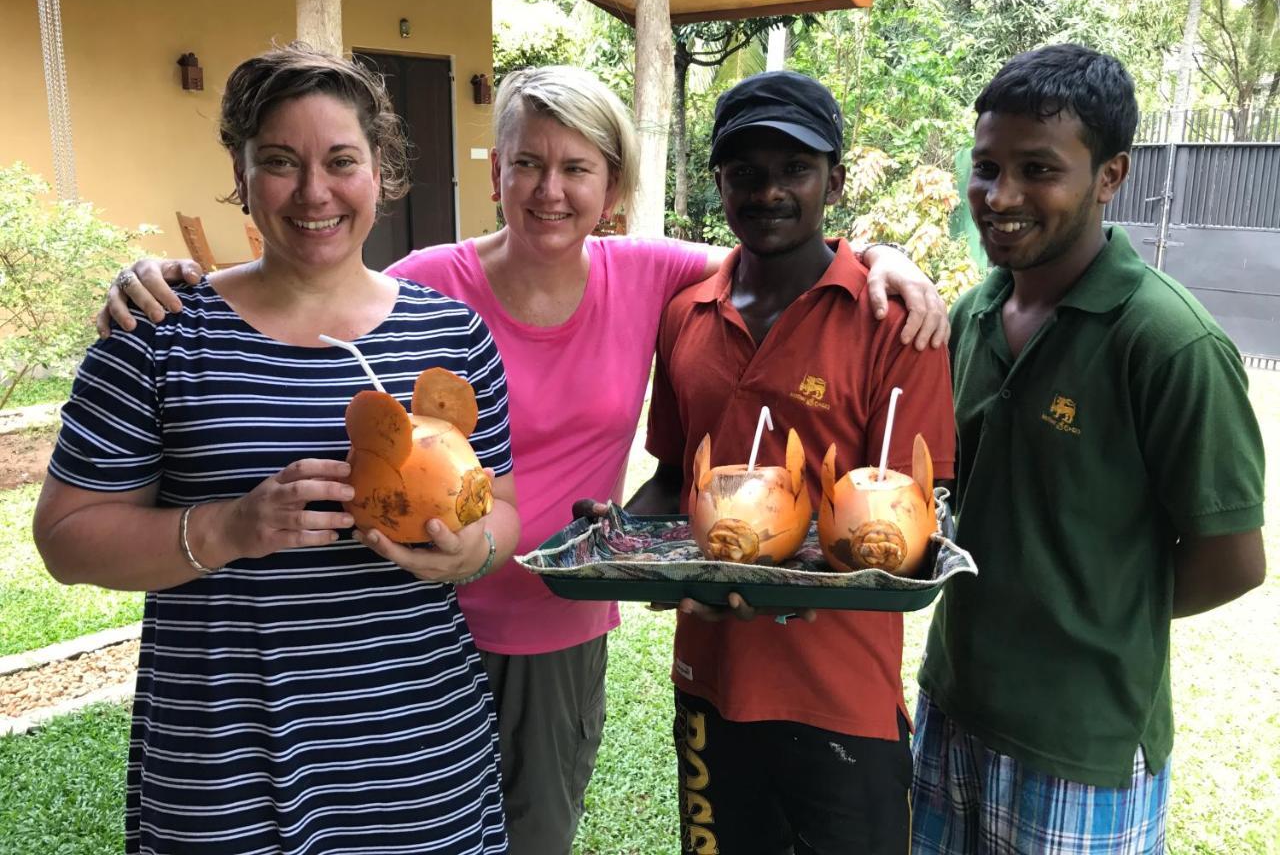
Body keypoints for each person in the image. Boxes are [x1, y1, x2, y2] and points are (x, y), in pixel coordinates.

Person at [99, 64, 951, 854]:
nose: (551, 190)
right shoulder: (428, 283)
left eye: (578, 168)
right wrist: (172, 279)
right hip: (402, 621)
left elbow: (780, 250)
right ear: (495, 171)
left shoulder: (654, 275)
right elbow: (314, 284)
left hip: (550, 623)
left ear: (611, 187)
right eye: (527, 164)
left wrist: (885, 258)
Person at [35, 44, 521, 853]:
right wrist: (231, 528)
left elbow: (501, 505)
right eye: (280, 162)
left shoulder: (450, 336)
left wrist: (469, 552)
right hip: (223, 769)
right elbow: (65, 535)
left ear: (380, 171)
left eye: (341, 161)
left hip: (416, 763)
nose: (314, 192)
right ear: (242, 171)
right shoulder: (158, 334)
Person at [912, 44, 1268, 854]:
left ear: (1111, 175)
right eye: (987, 166)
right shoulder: (971, 314)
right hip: (955, 707)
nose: (1000, 197)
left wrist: (1091, 616)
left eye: (1039, 169)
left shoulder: (1169, 342)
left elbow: (1234, 561)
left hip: (1085, 749)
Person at [624, 70, 957, 855]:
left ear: (834, 182)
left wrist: (797, 587)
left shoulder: (893, 321)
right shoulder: (686, 314)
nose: (768, 192)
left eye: (794, 170)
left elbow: (915, 510)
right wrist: (621, 538)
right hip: (710, 680)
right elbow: (676, 479)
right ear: (718, 184)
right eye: (745, 173)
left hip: (839, 693)